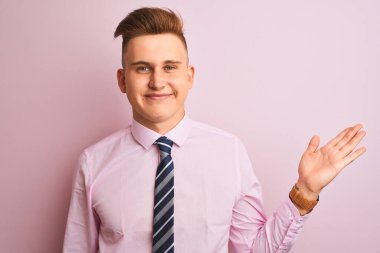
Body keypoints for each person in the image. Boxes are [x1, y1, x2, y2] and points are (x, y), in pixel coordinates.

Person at [63, 7, 366, 253]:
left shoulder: (228, 152)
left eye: (169, 67)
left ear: (189, 76)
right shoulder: (93, 163)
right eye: (143, 68)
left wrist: (306, 191)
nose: (157, 81)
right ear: (121, 79)